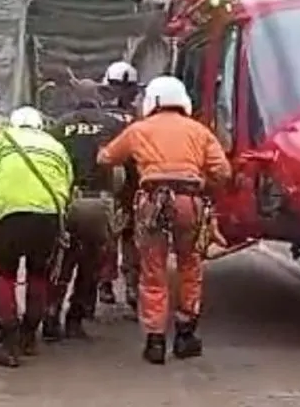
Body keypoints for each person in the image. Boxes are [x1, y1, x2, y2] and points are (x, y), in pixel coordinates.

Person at [97, 75, 231, 365]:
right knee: (190, 266)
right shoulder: (200, 131)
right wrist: (200, 181)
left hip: (151, 202)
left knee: (153, 271)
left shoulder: (138, 129)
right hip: (190, 202)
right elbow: (223, 171)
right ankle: (185, 334)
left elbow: (105, 158)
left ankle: (155, 341)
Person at [0, 106, 73, 368]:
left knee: (5, 275)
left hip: (8, 214)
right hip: (48, 215)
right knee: (38, 275)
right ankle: (30, 336)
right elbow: (67, 181)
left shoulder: (3, 139)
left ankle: (9, 341)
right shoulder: (55, 145)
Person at [43, 81, 131, 341]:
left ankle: (51, 315)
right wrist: (126, 205)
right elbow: (130, 166)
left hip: (67, 202)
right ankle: (76, 319)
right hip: (101, 203)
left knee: (61, 262)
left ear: (74, 98)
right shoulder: (114, 126)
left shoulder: (59, 127)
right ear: (97, 98)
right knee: (91, 263)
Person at [97, 60, 142, 311]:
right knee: (132, 237)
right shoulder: (140, 118)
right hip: (135, 186)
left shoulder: (100, 118)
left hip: (107, 184)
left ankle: (105, 283)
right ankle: (132, 286)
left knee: (109, 235)